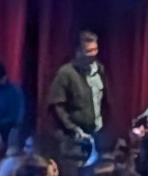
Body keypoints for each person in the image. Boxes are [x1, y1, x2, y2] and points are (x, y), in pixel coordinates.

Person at [44, 29, 108, 165]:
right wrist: (73, 128)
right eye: (88, 51)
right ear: (78, 52)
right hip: (73, 139)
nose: (93, 55)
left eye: (95, 50)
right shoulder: (65, 73)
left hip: (96, 133)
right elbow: (57, 105)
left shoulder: (99, 69)